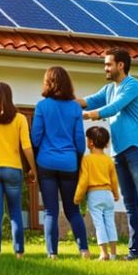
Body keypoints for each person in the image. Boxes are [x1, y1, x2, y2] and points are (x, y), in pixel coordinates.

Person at [79, 47, 138, 261]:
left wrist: (86, 116)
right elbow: (89, 100)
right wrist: (62, 102)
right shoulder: (109, 88)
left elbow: (113, 108)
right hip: (118, 153)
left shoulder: (133, 85)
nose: (106, 68)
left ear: (121, 65)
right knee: (130, 205)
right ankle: (134, 251)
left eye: (108, 64)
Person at [31, 66, 90, 259]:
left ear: (48, 83)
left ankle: (52, 254)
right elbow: (80, 141)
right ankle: (84, 250)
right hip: (69, 164)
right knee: (73, 209)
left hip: (46, 163)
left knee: (50, 211)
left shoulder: (42, 106)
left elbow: (36, 137)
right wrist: (77, 161)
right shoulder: (75, 107)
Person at [0, 82, 38, 259]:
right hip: (13, 169)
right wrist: (33, 169)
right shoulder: (20, 119)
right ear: (10, 97)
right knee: (15, 212)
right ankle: (19, 253)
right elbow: (26, 146)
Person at [74, 126, 119, 261]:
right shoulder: (108, 160)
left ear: (91, 142)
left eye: (87, 139)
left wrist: (77, 197)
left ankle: (103, 254)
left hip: (95, 194)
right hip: (108, 194)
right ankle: (113, 254)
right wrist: (116, 194)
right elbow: (114, 179)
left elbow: (84, 180)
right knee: (110, 223)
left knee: (99, 224)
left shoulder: (87, 160)